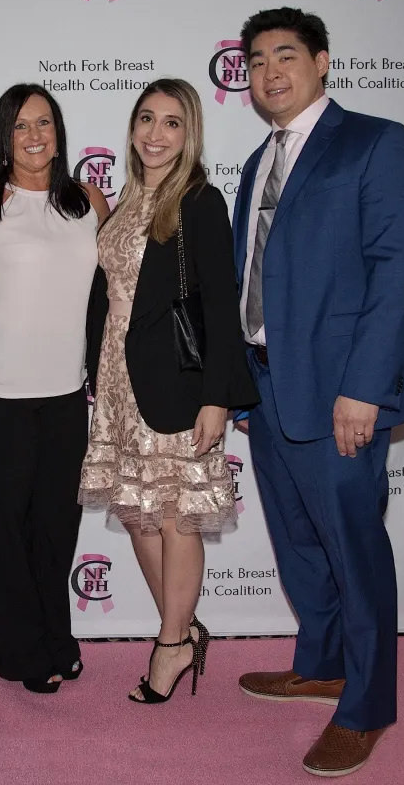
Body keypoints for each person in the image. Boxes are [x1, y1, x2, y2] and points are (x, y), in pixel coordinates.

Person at [231, 8, 404, 777]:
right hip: (266, 387)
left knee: (354, 549)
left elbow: (396, 271)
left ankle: (368, 705)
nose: (269, 72)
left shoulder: (374, 142)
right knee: (299, 541)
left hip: (341, 393)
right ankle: (321, 665)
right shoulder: (258, 162)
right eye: (256, 61)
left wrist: (364, 389)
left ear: (321, 62)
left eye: (286, 55)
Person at [80, 78, 258, 704]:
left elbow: (221, 305)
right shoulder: (128, 200)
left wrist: (217, 396)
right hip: (118, 383)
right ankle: (182, 632)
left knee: (178, 518)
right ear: (132, 128)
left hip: (177, 384)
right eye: (146, 119)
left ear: (190, 134)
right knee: (138, 516)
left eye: (172, 123)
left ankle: (171, 643)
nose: (156, 134)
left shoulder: (199, 201)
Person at [0, 84, 110, 694]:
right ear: (3, 137)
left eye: (43, 122)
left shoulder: (89, 201)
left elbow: (115, 292)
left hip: (67, 395)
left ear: (59, 133)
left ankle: (57, 640)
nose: (34, 135)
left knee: (57, 529)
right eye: (20, 126)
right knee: (7, 534)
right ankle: (22, 655)